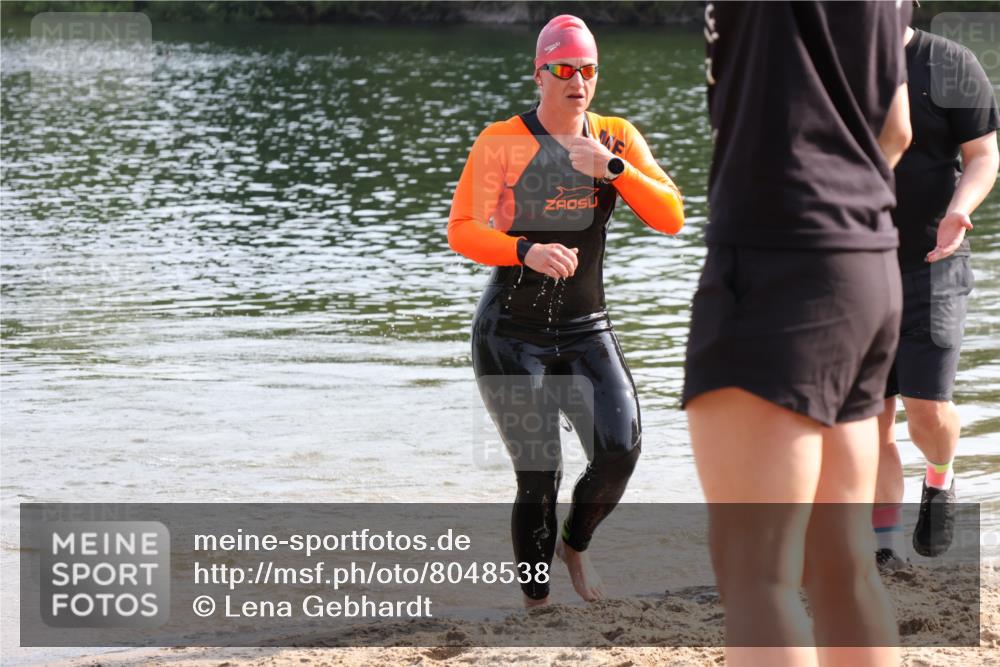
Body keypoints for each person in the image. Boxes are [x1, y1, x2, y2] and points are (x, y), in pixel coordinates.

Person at [686, 2, 911, 665]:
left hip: (776, 255)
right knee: (843, 568)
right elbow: (896, 127)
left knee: (757, 575)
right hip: (864, 260)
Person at [448, 14, 684, 608]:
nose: (577, 80)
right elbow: (462, 230)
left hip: (586, 330)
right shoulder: (503, 141)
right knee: (539, 471)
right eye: (563, 68)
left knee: (620, 450)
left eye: (587, 69)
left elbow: (672, 217)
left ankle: (575, 544)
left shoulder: (616, 138)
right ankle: (537, 605)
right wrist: (523, 249)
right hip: (510, 334)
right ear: (540, 74)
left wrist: (611, 169)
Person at [873, 24, 999, 571]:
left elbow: (983, 155)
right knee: (867, 418)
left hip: (934, 260)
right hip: (855, 266)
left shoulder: (947, 61)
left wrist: (959, 210)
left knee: (926, 410)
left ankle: (940, 474)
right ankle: (884, 544)